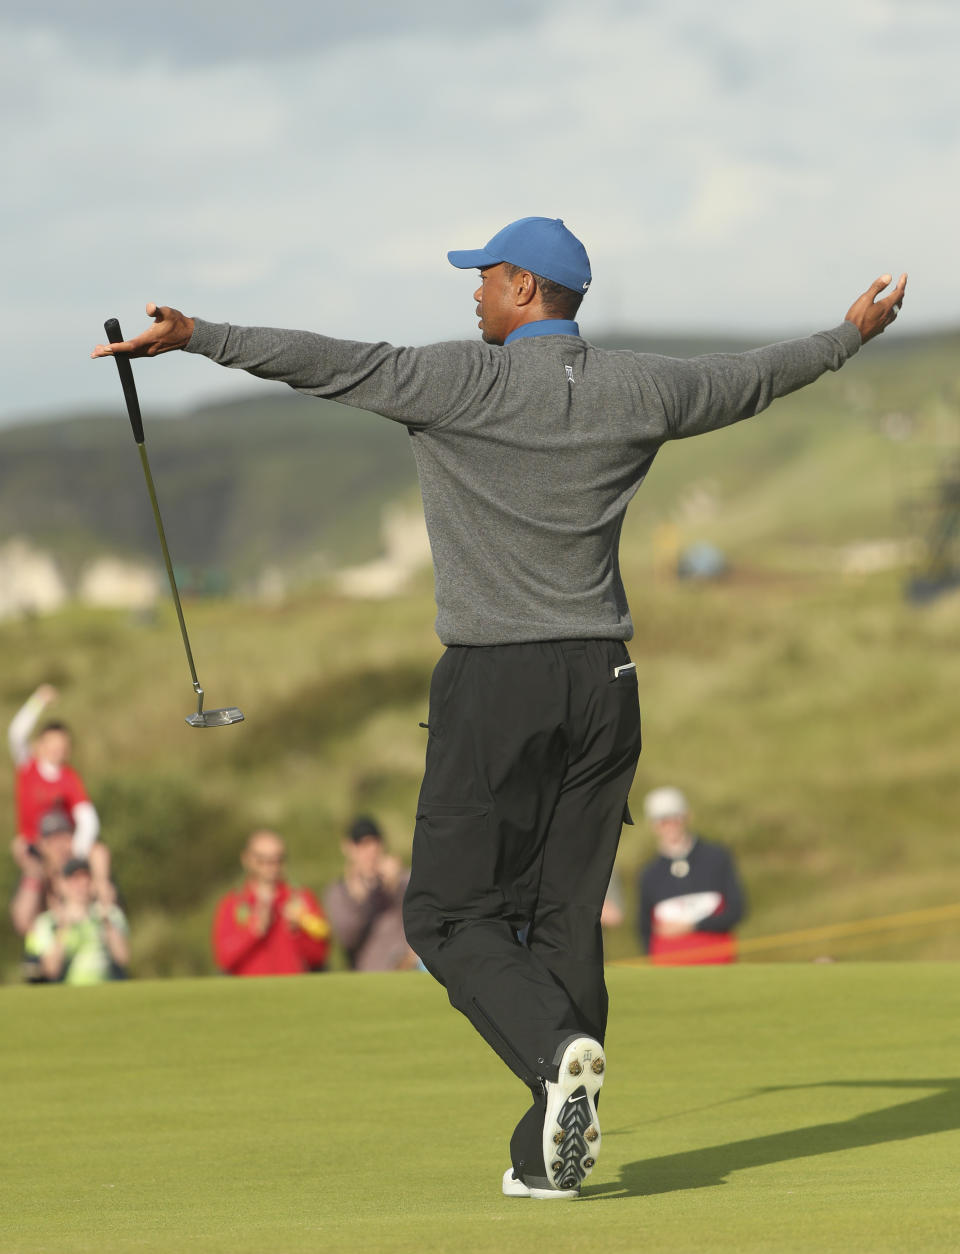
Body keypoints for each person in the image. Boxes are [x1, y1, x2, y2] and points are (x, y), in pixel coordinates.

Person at [93, 215, 905, 1199]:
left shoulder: (459, 381)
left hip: (497, 684)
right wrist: (847, 336)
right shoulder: (640, 385)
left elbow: (326, 363)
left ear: (524, 287)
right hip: (606, 684)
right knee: (564, 919)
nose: (471, 292)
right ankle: (546, 1153)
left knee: (441, 913)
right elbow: (750, 378)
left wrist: (200, 335)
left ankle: (556, 1047)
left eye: (482, 278)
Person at [8, 686, 113, 935]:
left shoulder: (69, 778)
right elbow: (15, 734)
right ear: (40, 745)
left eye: (61, 745)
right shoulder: (28, 768)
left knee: (100, 854)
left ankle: (104, 910)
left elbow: (87, 818)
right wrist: (37, 702)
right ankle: (45, 924)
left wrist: (77, 849)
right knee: (29, 861)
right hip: (33, 843)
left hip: (63, 845)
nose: (56, 749)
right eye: (52, 744)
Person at [636, 786, 746, 964]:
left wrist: (692, 926)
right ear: (653, 825)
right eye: (663, 821)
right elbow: (644, 929)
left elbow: (736, 910)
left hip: (717, 963)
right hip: (669, 969)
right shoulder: (649, 873)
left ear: (687, 816)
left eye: (675, 818)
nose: (670, 825)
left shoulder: (717, 858)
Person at [212, 829, 331, 976]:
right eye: (262, 860)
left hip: (294, 990)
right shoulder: (233, 904)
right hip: (250, 993)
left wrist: (298, 931)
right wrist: (254, 931)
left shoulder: (301, 899)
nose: (271, 866)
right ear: (246, 859)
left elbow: (319, 956)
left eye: (277, 859)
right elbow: (224, 959)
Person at [323, 815, 415, 971]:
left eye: (375, 843)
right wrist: (363, 899)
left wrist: (398, 887)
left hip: (410, 971)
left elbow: (425, 918)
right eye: (362, 845)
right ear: (348, 848)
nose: (371, 851)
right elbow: (348, 938)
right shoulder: (339, 892)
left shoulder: (403, 879)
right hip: (371, 975)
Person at [23, 856, 129, 984]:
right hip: (68, 995)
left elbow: (123, 958)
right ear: (62, 885)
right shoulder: (49, 922)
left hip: (106, 990)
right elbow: (51, 969)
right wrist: (64, 928)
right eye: (75, 879)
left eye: (87, 878)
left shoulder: (110, 914)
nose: (82, 884)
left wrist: (106, 920)